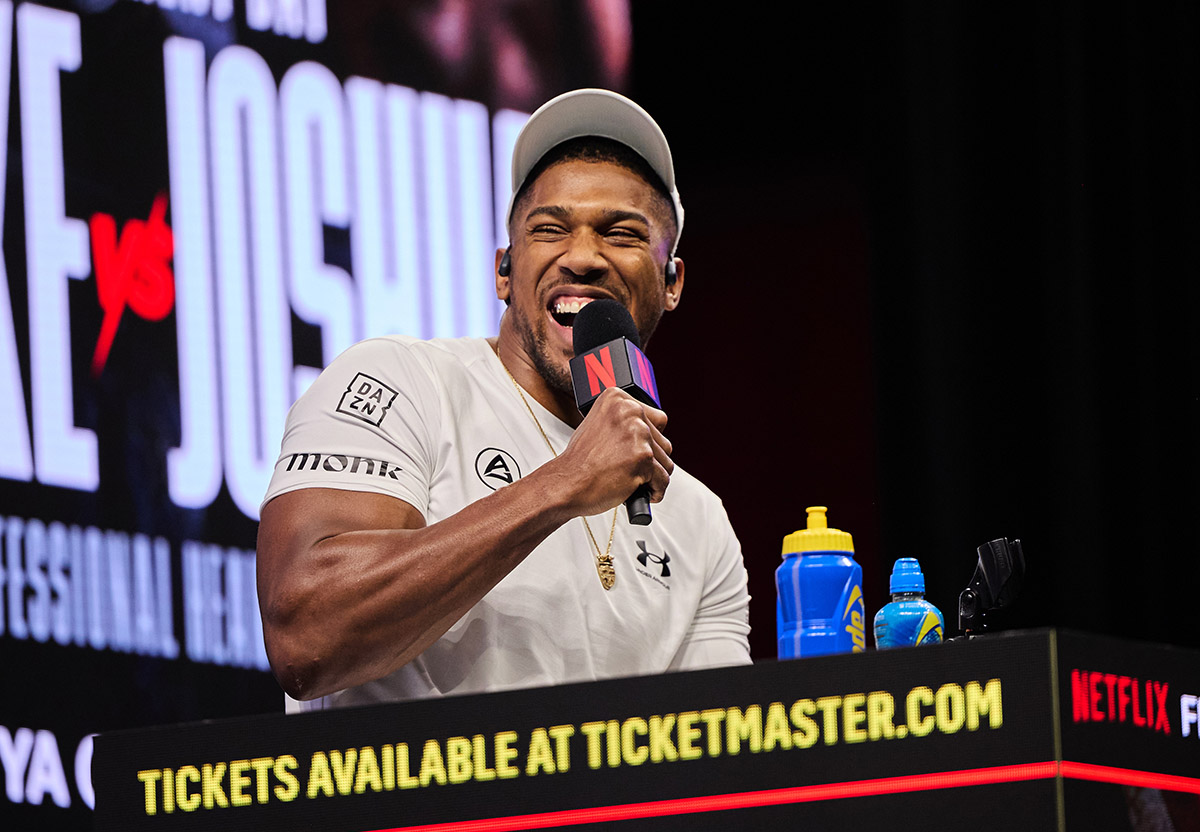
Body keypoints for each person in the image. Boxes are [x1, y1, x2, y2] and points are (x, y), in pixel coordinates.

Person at [256, 89, 750, 711]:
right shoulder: (406, 382)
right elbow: (305, 637)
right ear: (504, 271)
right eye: (550, 229)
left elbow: (718, 763)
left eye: (621, 234)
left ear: (672, 282)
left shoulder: (699, 521)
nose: (583, 257)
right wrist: (564, 483)